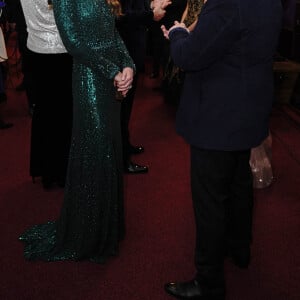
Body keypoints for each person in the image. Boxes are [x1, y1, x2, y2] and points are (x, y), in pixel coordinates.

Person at [161, 0, 282, 299]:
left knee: (210, 200)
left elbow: (189, 56)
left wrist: (177, 33)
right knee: (239, 184)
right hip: (249, 107)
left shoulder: (228, 3)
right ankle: (239, 249)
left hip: (219, 117)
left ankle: (209, 282)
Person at [19, 0, 134, 263]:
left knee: (112, 148)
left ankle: (108, 227)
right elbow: (73, 42)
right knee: (97, 148)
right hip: (90, 80)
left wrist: (128, 65)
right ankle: (89, 231)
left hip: (111, 79)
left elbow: (112, 32)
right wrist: (112, 71)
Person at [19, 0, 73, 189]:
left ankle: (45, 170)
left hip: (34, 49)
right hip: (60, 50)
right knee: (63, 113)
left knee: (44, 110)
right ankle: (61, 171)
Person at [117, 0, 171, 174]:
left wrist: (151, 4)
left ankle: (124, 145)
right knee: (120, 109)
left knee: (126, 108)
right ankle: (121, 158)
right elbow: (119, 16)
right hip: (124, 47)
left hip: (133, 46)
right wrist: (150, 14)